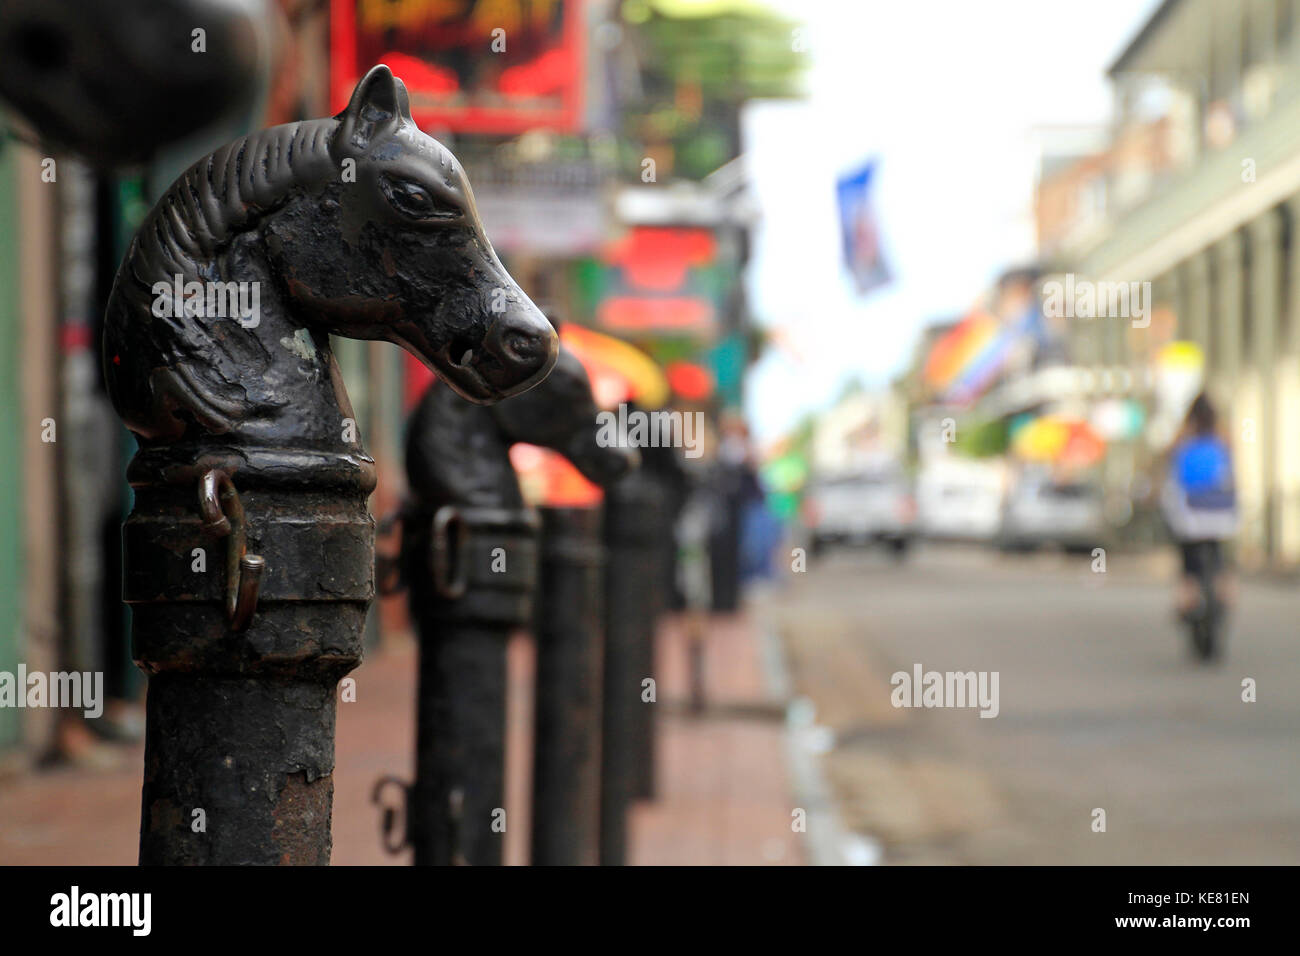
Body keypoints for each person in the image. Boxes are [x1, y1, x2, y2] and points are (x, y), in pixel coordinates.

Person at [1160, 392, 1239, 619]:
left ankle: (1187, 597)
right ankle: (1225, 593)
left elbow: (1168, 462)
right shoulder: (1222, 437)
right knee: (1219, 554)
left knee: (1187, 555)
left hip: (1190, 510)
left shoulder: (1184, 437)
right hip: (1221, 508)